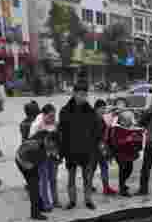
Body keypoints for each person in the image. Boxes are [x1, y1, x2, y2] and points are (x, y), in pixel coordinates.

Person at [57, 82, 102, 210]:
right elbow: (61, 132)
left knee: (87, 178)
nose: (83, 97)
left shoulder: (90, 111)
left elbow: (96, 131)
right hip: (70, 150)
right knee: (71, 178)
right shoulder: (65, 111)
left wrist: (93, 146)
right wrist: (62, 151)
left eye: (85, 94)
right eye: (81, 94)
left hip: (86, 151)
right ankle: (72, 201)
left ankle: (88, 200)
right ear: (74, 94)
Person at [15, 128, 53, 221]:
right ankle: (35, 213)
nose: (51, 146)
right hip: (24, 161)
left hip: (29, 158)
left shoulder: (45, 138)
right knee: (34, 187)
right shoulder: (36, 148)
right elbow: (27, 162)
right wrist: (28, 166)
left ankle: (40, 206)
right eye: (51, 144)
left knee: (35, 184)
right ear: (47, 140)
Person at [30, 104, 59, 212]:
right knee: (44, 180)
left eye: (54, 115)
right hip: (41, 156)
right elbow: (31, 143)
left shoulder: (55, 124)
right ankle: (45, 203)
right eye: (50, 116)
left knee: (53, 179)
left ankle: (55, 201)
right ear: (44, 115)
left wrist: (57, 153)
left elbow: (58, 140)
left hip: (53, 155)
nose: (53, 118)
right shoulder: (36, 126)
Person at [109, 110, 144, 197]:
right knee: (123, 169)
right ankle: (122, 189)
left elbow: (138, 139)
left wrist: (138, 136)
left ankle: (123, 183)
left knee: (129, 169)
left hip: (130, 153)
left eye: (129, 120)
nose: (128, 122)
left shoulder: (132, 127)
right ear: (121, 120)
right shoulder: (116, 129)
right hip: (120, 153)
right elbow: (115, 142)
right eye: (126, 120)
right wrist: (126, 139)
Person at [93, 99, 117, 195]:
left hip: (100, 146)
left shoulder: (100, 117)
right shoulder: (94, 118)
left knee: (102, 167)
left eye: (104, 108)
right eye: (102, 108)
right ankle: (103, 188)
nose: (103, 110)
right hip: (95, 147)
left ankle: (105, 188)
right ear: (96, 108)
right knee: (93, 168)